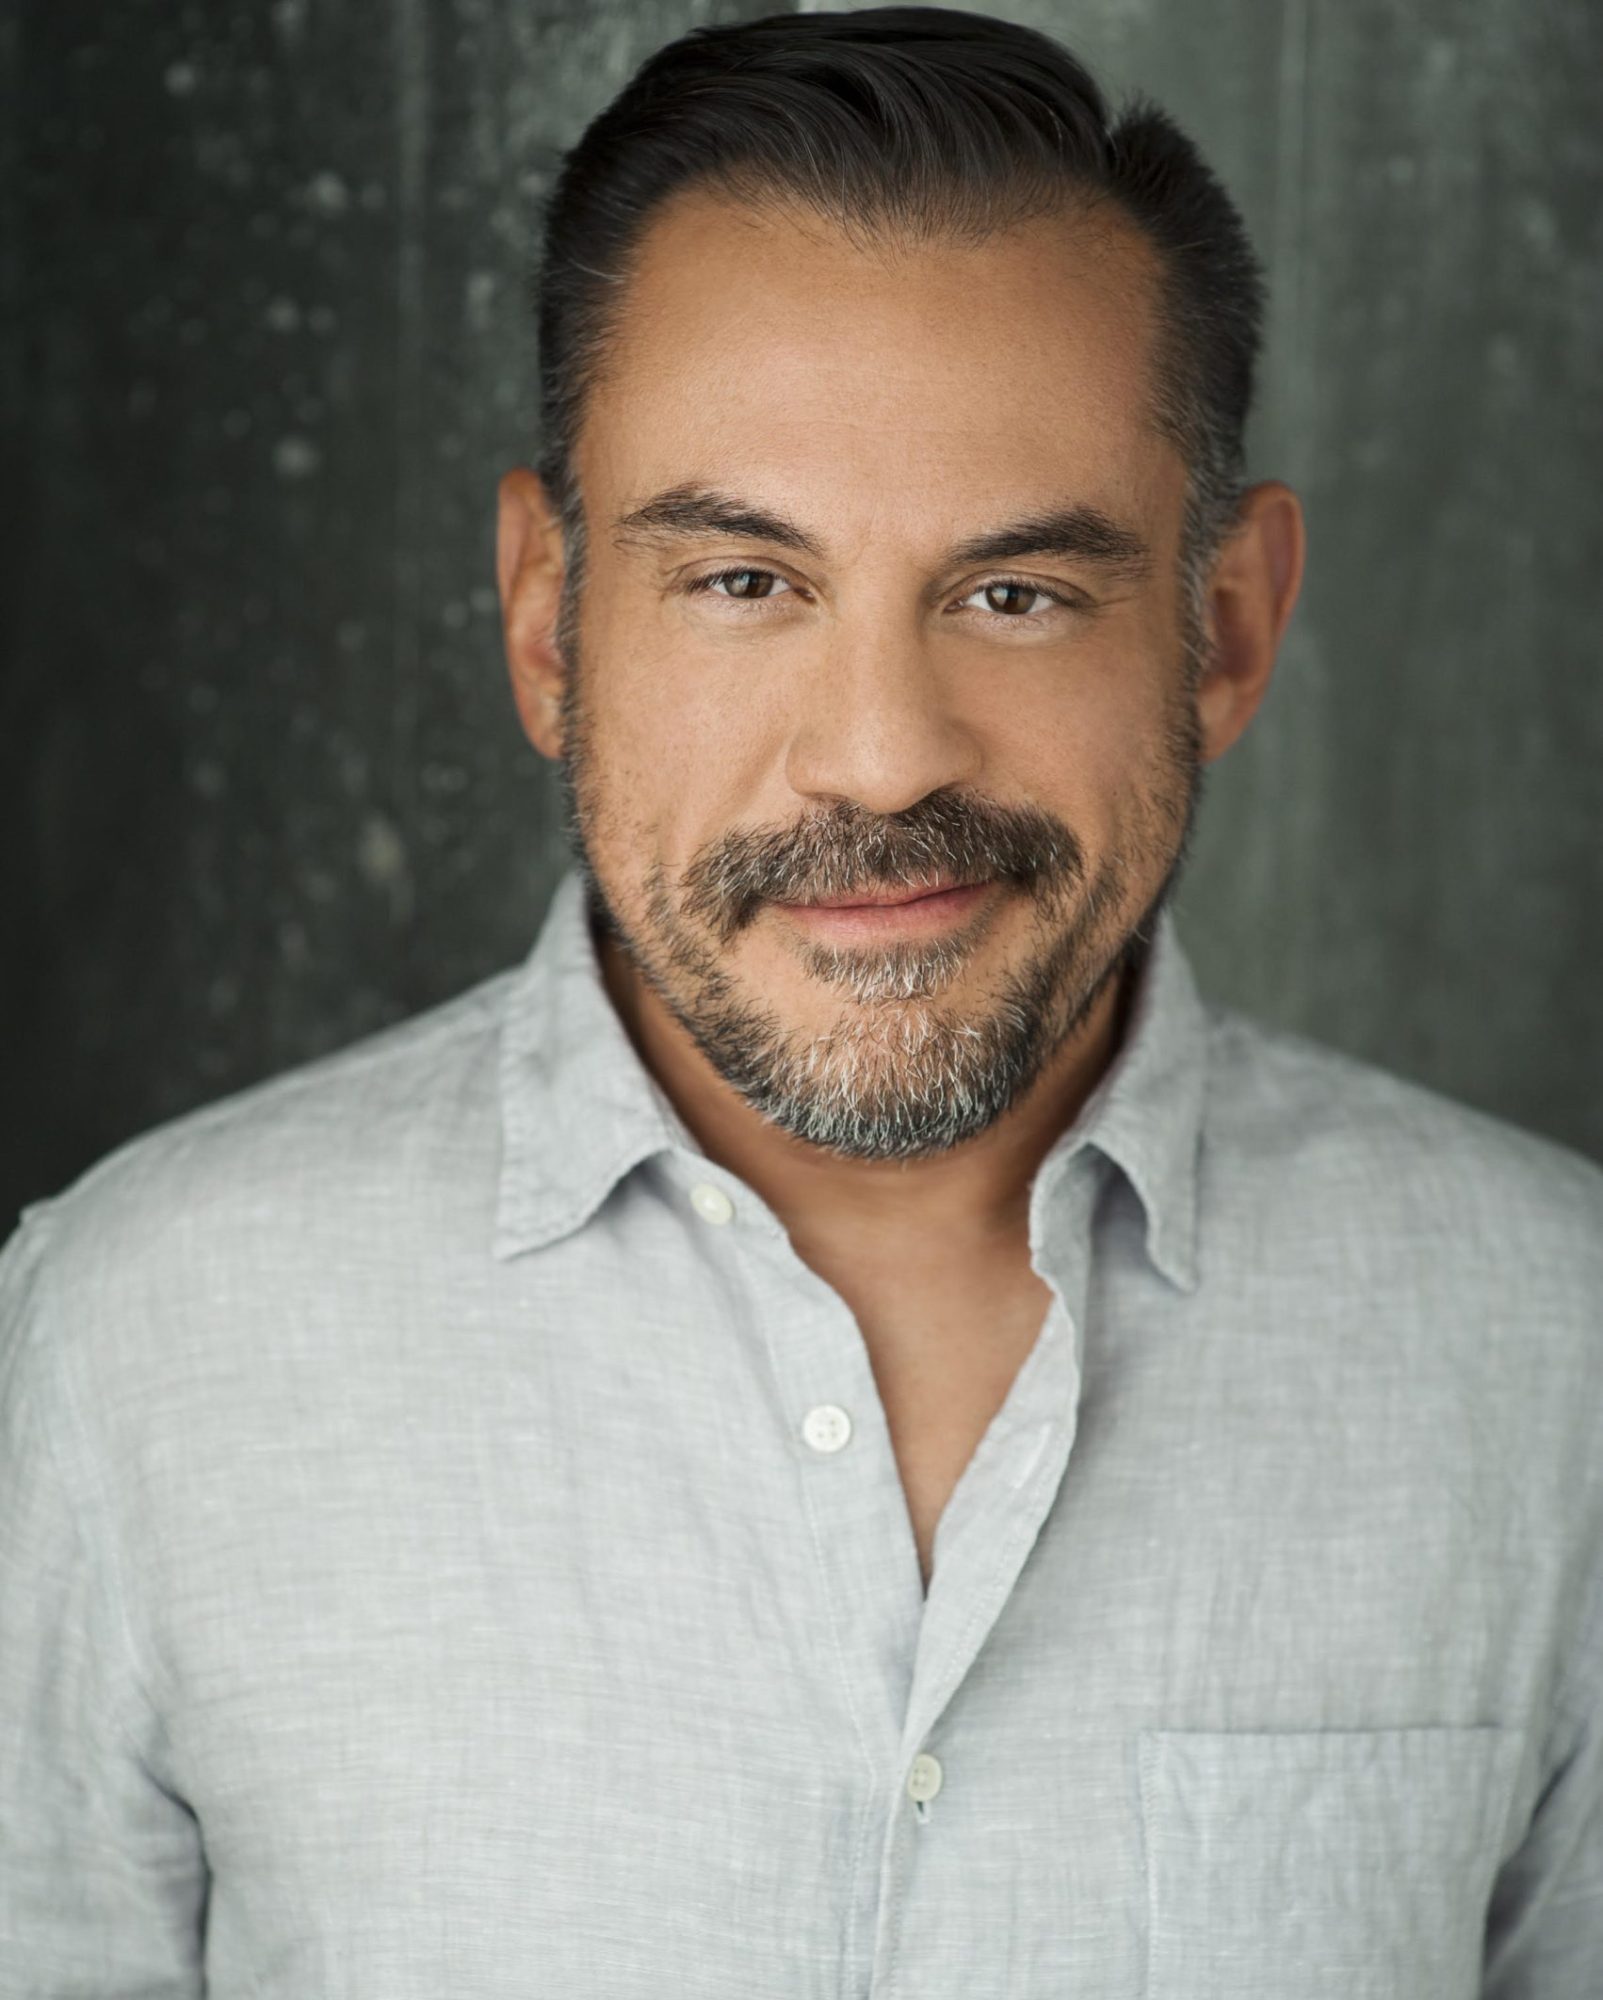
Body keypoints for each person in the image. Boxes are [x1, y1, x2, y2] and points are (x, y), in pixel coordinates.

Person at [1, 7, 1597, 1993]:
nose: (876, 758)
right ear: (544, 624)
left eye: (1013, 592)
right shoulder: (128, 1351)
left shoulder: (1557, 1369)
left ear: (1223, 632)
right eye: (745, 582)